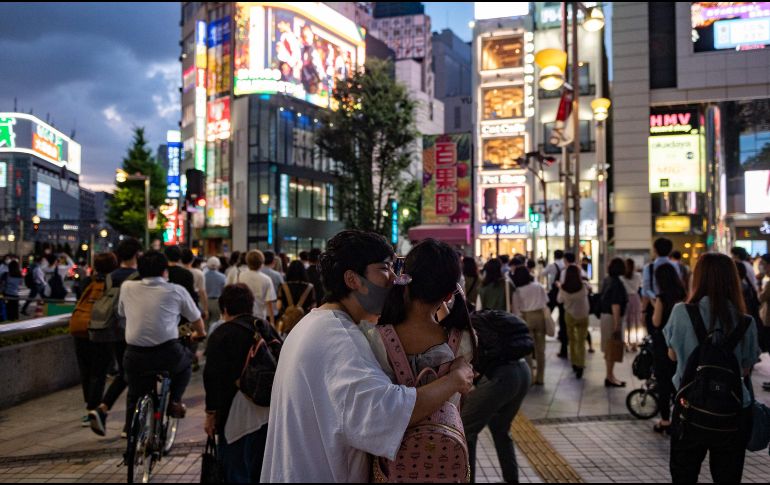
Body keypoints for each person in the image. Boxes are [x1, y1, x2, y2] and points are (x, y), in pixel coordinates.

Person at [260, 230, 474, 482]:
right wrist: (454, 380)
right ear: (353, 279)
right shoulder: (341, 339)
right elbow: (386, 414)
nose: (395, 279)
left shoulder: (316, 324)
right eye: (385, 268)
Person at [365, 239, 477, 481]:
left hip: (393, 467)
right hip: (444, 462)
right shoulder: (464, 341)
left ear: (404, 280)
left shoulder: (375, 338)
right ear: (449, 293)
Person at [664, 253, 759, 483]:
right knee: (728, 477)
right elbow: (746, 369)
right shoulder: (746, 322)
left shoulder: (681, 312)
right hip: (732, 409)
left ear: (698, 278)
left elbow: (672, 354)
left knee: (683, 475)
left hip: (689, 408)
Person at [120, 251, 206, 437]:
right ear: (164, 271)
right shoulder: (176, 290)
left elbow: (121, 312)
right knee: (185, 365)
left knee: (134, 392)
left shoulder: (126, 287)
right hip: (166, 352)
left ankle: (130, 432)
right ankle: (175, 401)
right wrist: (200, 333)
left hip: (134, 354)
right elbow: (196, 318)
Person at [204, 283, 280, 483]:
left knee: (235, 470)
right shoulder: (265, 328)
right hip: (269, 409)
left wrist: (211, 414)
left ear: (225, 309)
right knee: (262, 469)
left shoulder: (221, 334)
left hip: (235, 414)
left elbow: (212, 378)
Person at [88, 237, 142, 438]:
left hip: (108, 329)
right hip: (128, 330)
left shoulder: (110, 276)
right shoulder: (137, 277)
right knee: (132, 376)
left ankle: (102, 408)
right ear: (136, 255)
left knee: (121, 374)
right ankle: (127, 425)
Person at [72, 252, 118, 431]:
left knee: (85, 370)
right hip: (101, 330)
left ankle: (89, 406)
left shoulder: (87, 281)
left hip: (81, 329)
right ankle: (93, 408)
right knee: (99, 372)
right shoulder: (112, 283)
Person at [650, 263, 687, 435]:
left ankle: (665, 420)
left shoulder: (661, 297)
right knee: (679, 381)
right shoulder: (684, 294)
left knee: (664, 383)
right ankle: (680, 417)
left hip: (663, 345)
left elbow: (657, 322)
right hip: (681, 343)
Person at [511, 266, 549, 385]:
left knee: (527, 349)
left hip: (525, 318)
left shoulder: (517, 290)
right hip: (539, 317)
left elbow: (516, 310)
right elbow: (545, 301)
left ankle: (530, 377)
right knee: (540, 349)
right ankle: (541, 377)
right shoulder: (538, 286)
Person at [227, 250, 276, 328]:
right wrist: (272, 322)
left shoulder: (239, 276)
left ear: (247, 261)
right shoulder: (266, 279)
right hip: (260, 318)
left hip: (241, 316)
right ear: (261, 263)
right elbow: (269, 302)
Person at [600, 258, 628, 387]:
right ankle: (610, 377)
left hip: (606, 317)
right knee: (612, 346)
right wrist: (617, 324)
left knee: (609, 347)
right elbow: (615, 304)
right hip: (612, 318)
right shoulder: (616, 283)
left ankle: (610, 375)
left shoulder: (608, 280)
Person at [558, 265, 590, 378]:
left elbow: (559, 300)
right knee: (581, 341)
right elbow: (588, 291)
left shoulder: (563, 288)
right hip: (583, 315)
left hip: (569, 315)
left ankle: (574, 363)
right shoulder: (583, 286)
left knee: (571, 340)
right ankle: (581, 364)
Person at [642, 238, 679, 335]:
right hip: (673, 305)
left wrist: (643, 311)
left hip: (653, 305)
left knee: (656, 337)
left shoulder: (649, 267)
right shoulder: (675, 266)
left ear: (655, 250)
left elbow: (646, 291)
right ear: (670, 250)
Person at [543, 250, 567, 358]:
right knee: (562, 316)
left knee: (548, 312)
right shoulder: (565, 265)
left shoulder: (551, 266)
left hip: (554, 292)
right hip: (563, 292)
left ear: (554, 256)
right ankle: (562, 335)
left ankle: (546, 330)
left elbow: (543, 273)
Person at [621, 258, 643, 351]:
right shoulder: (638, 275)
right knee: (635, 321)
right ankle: (634, 344)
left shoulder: (621, 277)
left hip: (625, 299)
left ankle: (626, 344)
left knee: (625, 321)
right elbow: (639, 286)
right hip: (635, 298)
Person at [182, 249, 208, 321]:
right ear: (192, 260)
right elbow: (202, 292)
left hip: (178, 305)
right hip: (193, 303)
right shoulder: (198, 273)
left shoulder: (176, 272)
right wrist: (205, 309)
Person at [261, 250, 284, 322]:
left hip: (258, 308)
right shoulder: (277, 275)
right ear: (273, 261)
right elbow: (282, 289)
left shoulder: (258, 273)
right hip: (273, 308)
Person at [204, 257, 226, 326]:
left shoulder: (203, 276)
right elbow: (224, 291)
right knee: (215, 323)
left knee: (205, 323)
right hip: (217, 302)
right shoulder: (223, 277)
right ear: (218, 265)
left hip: (205, 301)